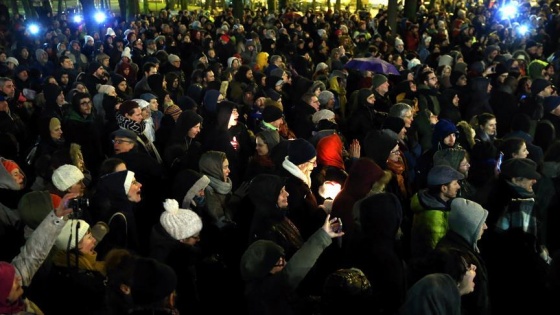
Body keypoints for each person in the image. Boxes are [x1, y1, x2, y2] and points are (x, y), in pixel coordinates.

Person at [240, 214, 344, 315]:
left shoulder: (260, 292)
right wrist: (323, 235)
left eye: (283, 258)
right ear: (267, 269)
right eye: (279, 261)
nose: (285, 263)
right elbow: (289, 274)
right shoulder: (265, 293)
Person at [0, 192, 75, 315]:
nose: (18, 279)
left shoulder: (13, 299)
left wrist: (56, 217)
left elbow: (32, 255)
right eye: (11, 281)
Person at [434, 198, 491, 315]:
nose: (486, 226)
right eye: (481, 223)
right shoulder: (455, 258)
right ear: (468, 227)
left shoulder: (459, 247)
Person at [149, 199, 203, 315]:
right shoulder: (171, 261)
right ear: (182, 239)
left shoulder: (171, 250)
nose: (199, 240)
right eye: (195, 237)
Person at [44, 219, 108, 315]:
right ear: (76, 247)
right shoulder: (79, 278)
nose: (94, 240)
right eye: (89, 237)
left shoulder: (65, 262)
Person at [410, 165, 464, 260]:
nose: (459, 186)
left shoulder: (430, 201)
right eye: (455, 183)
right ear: (444, 188)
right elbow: (439, 252)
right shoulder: (434, 217)